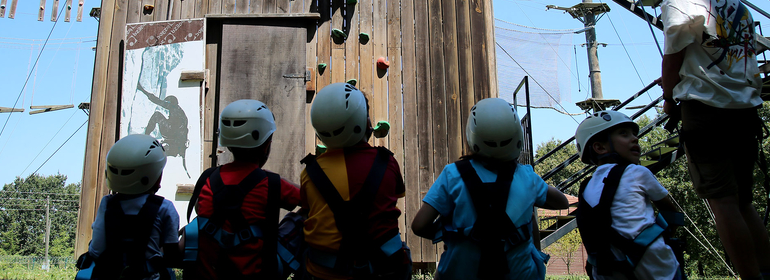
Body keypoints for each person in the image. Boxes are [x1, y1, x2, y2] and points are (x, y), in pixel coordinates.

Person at [660, 0, 770, 279]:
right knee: (742, 202)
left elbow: (673, 57)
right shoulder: (737, 3)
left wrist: (668, 98)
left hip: (706, 111)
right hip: (744, 109)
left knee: (721, 201)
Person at [411, 98, 569, 280]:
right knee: (529, 215)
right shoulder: (527, 177)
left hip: (459, 275)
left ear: (473, 136)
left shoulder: (452, 175)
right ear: (517, 135)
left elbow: (419, 226)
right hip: (520, 275)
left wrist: (454, 232)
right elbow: (562, 202)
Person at [301, 82, 411, 280]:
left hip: (325, 273)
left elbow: (307, 210)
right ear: (363, 121)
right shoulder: (387, 162)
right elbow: (393, 198)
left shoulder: (310, 172)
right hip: (383, 269)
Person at [183, 99, 300, 280]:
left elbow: (199, 209)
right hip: (257, 275)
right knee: (300, 218)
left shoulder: (207, 178)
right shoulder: (272, 183)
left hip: (207, 275)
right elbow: (310, 199)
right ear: (267, 144)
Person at [575, 110, 683, 280]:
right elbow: (672, 213)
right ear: (600, 147)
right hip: (653, 260)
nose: (635, 138)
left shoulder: (585, 187)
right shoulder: (637, 172)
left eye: (634, 134)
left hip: (606, 266)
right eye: (624, 134)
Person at [80, 134, 181, 280]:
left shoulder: (107, 203)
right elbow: (172, 256)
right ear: (154, 176)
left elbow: (96, 251)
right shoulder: (165, 207)